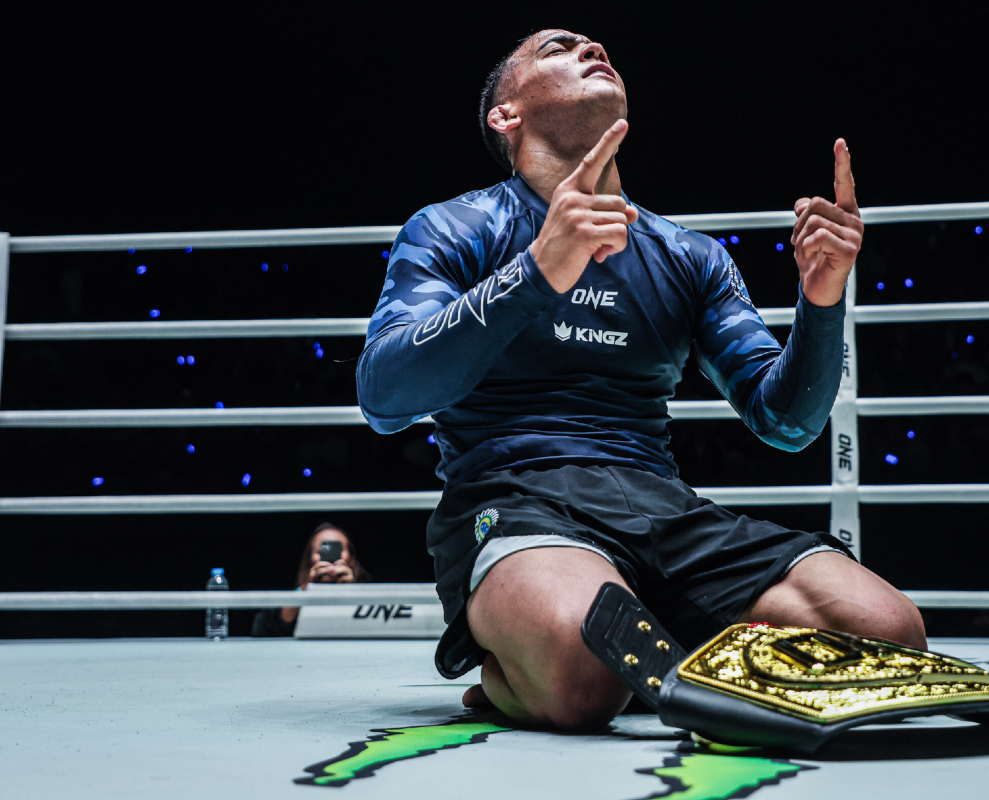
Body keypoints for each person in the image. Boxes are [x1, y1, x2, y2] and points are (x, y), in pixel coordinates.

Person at [356, 29, 925, 730]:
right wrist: (533, 274)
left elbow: (786, 422)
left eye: (592, 44)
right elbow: (383, 396)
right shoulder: (452, 227)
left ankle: (641, 633)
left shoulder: (689, 255)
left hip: (660, 507)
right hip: (515, 500)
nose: (591, 45)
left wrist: (822, 298)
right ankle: (512, 669)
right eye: (557, 48)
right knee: (585, 675)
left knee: (888, 633)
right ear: (507, 115)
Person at [250, 522, 372, 637]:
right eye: (322, 550)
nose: (330, 558)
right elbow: (261, 628)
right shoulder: (297, 595)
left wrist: (352, 591)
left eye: (337, 549)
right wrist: (306, 589)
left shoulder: (372, 594)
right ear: (310, 560)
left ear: (351, 560)